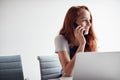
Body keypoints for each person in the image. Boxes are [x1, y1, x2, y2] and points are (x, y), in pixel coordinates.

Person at [54, 5, 97, 77]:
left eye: (89, 20)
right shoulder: (61, 39)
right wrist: (82, 44)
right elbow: (68, 73)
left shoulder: (90, 39)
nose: (89, 24)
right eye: (84, 20)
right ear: (73, 24)